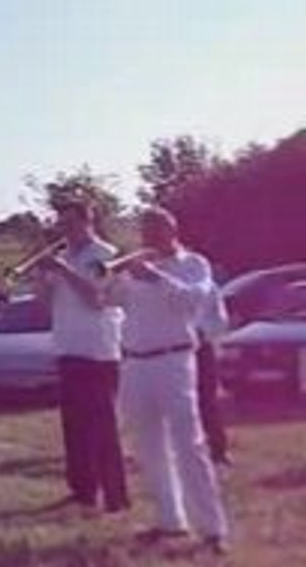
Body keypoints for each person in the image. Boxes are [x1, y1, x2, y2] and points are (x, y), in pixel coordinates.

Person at [106, 207, 229, 554]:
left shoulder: (194, 264)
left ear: (171, 231)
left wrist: (156, 278)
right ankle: (170, 520)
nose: (147, 239)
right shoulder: (135, 269)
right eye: (144, 233)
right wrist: (112, 277)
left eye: (154, 232)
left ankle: (212, 529)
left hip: (174, 361)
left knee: (190, 445)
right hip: (134, 363)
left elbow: (193, 301)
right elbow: (107, 301)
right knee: (149, 448)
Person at [35, 200, 129, 513]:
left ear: (88, 222)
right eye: (62, 225)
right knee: (73, 426)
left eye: (72, 224)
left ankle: (116, 496)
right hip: (67, 347)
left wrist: (62, 269)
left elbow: (97, 300)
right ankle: (83, 490)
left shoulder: (106, 254)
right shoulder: (65, 257)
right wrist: (42, 277)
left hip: (98, 351)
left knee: (103, 427)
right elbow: (47, 306)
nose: (66, 231)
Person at [196, 281, 231, 465]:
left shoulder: (207, 285)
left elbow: (220, 320)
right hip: (172, 349)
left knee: (207, 400)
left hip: (201, 349)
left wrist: (203, 332)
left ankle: (218, 449)